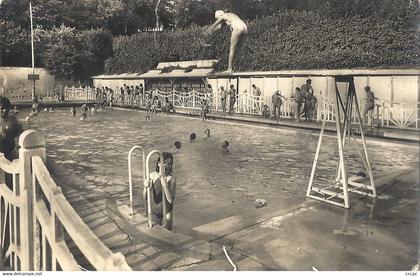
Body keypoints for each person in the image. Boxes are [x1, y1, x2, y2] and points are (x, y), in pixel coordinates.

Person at [143, 152, 176, 230]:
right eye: (164, 163)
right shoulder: (152, 175)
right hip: (154, 211)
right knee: (155, 231)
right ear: (159, 163)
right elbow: (145, 197)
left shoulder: (171, 179)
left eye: (169, 164)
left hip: (167, 212)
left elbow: (170, 200)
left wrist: (163, 181)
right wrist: (146, 187)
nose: (167, 166)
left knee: (167, 234)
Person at [0, 97, 23, 161]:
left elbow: (21, 133)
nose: (4, 110)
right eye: (2, 108)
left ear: (9, 108)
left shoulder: (13, 119)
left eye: (6, 108)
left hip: (11, 152)